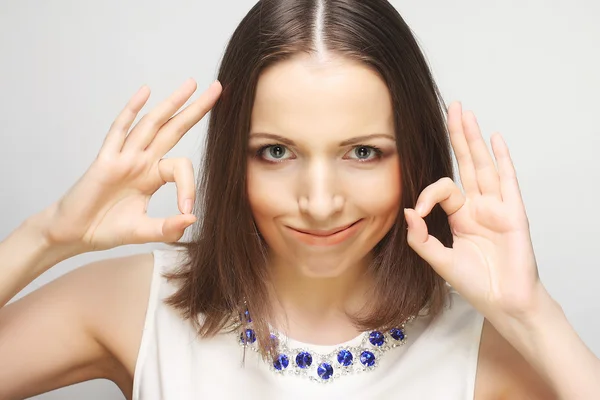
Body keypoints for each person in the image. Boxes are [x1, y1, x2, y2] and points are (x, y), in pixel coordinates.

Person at [0, 0, 598, 399]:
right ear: (236, 156)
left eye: (363, 152)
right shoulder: (136, 300)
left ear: (413, 156)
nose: (319, 202)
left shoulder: (492, 346)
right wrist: (49, 235)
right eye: (277, 152)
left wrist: (531, 314)